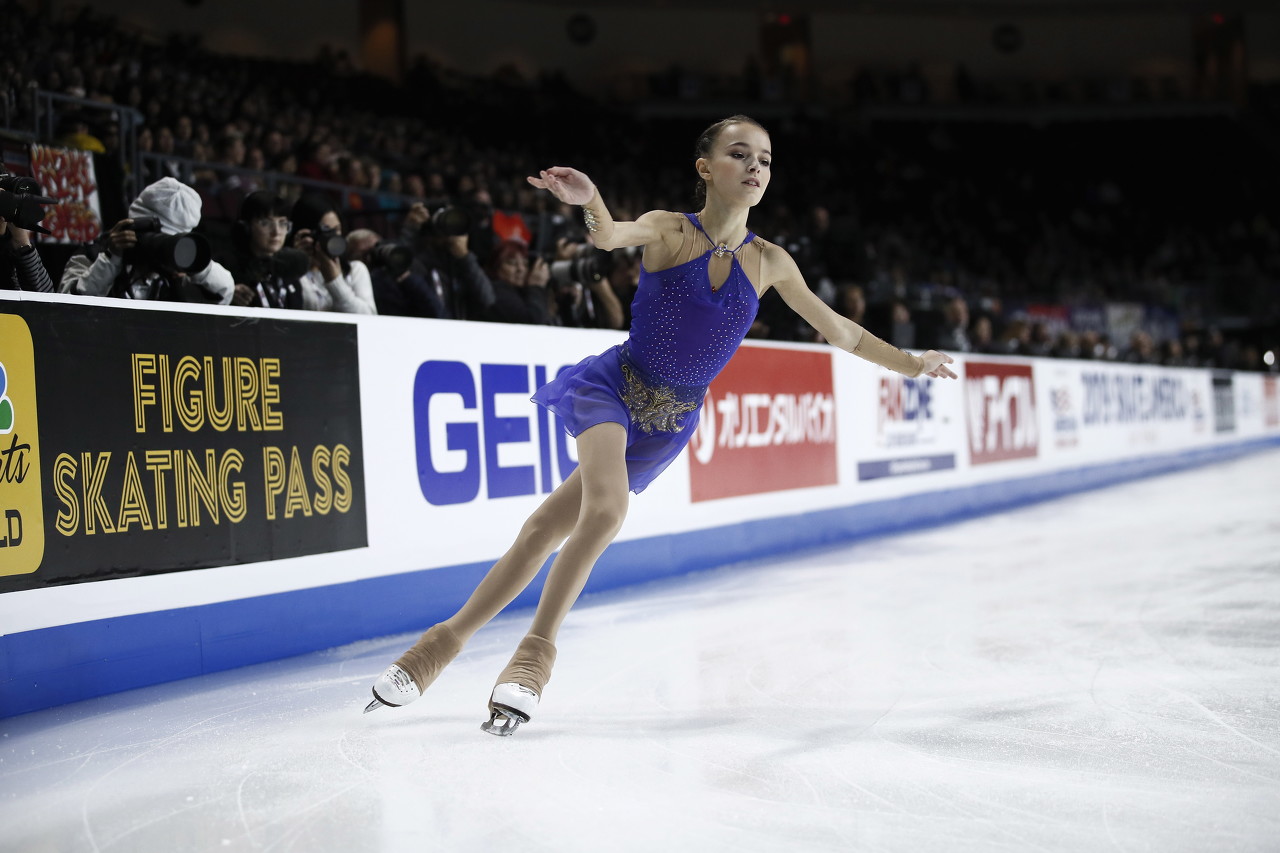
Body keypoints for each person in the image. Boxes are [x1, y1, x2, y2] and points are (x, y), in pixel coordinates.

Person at [364, 115, 957, 735]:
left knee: (544, 527)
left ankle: (439, 646)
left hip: (670, 421)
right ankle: (532, 660)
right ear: (705, 168)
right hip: (612, 388)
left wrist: (911, 364)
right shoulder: (671, 231)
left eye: (766, 159)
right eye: (740, 154)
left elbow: (843, 331)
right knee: (605, 512)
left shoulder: (772, 262)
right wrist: (589, 199)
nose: (756, 167)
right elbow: (609, 236)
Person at [60, 177, 234, 303]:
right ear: (130, 224)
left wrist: (193, 265)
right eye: (157, 236)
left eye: (170, 241)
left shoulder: (176, 272)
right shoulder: (93, 255)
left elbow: (225, 293)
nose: (160, 245)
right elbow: (68, 307)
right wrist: (109, 261)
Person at [288, 192, 377, 314]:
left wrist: (335, 281)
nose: (333, 237)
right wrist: (296, 264)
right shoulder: (291, 273)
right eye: (326, 230)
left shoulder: (355, 270)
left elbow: (368, 319)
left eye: (337, 230)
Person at [222, 190, 310, 309]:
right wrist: (226, 295)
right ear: (246, 227)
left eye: (283, 223)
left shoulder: (289, 271)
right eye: (265, 223)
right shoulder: (228, 269)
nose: (276, 232)